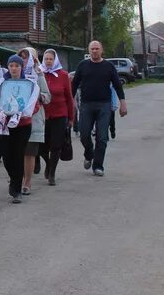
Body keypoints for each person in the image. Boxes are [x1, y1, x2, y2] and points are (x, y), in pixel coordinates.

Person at [72, 41, 127, 176]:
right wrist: (71, 101)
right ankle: (89, 154)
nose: (94, 51)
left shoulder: (108, 66)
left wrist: (123, 103)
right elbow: (74, 85)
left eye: (97, 49)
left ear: (102, 50)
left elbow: (117, 85)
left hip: (104, 105)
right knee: (84, 135)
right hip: (86, 105)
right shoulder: (83, 65)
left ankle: (98, 165)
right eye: (92, 49)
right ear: (89, 51)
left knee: (102, 137)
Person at [0, 54, 39, 203]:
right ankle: (13, 177)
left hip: (23, 125)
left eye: (17, 66)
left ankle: (16, 189)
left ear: (21, 67)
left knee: (19, 155)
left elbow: (34, 104)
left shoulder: (29, 84)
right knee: (6, 156)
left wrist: (25, 112)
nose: (14, 68)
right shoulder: (2, 83)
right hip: (5, 124)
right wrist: (1, 111)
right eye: (11, 65)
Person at [19, 47, 51, 195]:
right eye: (22, 57)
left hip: (34, 118)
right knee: (17, 151)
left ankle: (27, 182)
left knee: (29, 152)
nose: (25, 60)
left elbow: (47, 97)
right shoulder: (13, 72)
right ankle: (17, 178)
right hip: (16, 119)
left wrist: (37, 95)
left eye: (27, 57)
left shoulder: (38, 74)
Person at [39, 48, 73, 186]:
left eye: (50, 59)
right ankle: (48, 162)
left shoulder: (63, 75)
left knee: (56, 144)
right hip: (42, 115)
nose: (48, 61)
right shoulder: (39, 74)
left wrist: (71, 118)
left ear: (55, 60)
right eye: (46, 59)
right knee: (42, 146)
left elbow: (69, 98)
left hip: (60, 114)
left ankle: (52, 172)